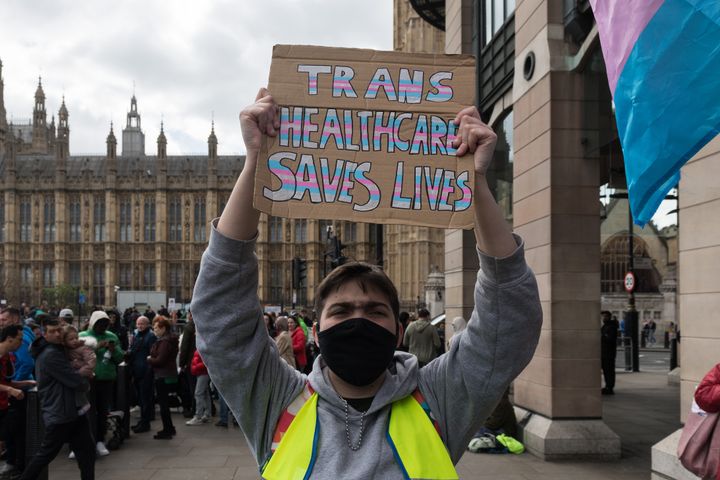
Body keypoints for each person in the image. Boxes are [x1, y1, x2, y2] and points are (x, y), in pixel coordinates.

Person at [191, 89, 542, 478]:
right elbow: (219, 316)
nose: (358, 320)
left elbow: (508, 325)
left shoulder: (438, 400)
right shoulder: (278, 400)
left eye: (375, 311)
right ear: (317, 329)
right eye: (341, 310)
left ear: (398, 329)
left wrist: (474, 182)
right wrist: (256, 164)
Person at [21, 319, 95, 480]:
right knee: (46, 454)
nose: (56, 334)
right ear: (44, 334)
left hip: (73, 409)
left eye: (58, 330)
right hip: (61, 411)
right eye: (52, 331)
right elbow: (74, 380)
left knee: (87, 452)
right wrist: (85, 382)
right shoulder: (51, 354)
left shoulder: (57, 349)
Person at [79, 310, 125, 456]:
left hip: (106, 378)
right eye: (100, 324)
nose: (103, 327)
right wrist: (97, 347)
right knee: (87, 411)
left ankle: (100, 440)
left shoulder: (112, 336)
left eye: (105, 324)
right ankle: (82, 442)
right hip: (87, 380)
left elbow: (119, 359)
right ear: (93, 323)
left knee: (103, 411)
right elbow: (75, 356)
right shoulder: (83, 336)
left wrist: (114, 350)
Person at [0, 306, 35, 475]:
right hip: (5, 401)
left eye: (3, 320)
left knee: (16, 432)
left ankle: (16, 464)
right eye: (19, 340)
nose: (22, 343)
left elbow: (9, 378)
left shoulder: (10, 353)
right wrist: (10, 389)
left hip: (5, 402)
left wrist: (21, 383)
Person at [146, 316, 179, 439]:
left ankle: (167, 429)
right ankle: (169, 427)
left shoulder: (165, 341)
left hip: (163, 375)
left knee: (163, 404)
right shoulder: (167, 339)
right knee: (164, 403)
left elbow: (160, 360)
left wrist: (149, 359)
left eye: (156, 328)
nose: (154, 330)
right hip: (166, 374)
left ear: (163, 328)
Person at [127, 316, 156, 433]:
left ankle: (145, 423)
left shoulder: (150, 336)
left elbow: (152, 354)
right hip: (137, 371)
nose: (139, 326)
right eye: (138, 324)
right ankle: (143, 421)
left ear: (147, 324)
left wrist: (149, 371)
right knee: (141, 399)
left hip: (145, 372)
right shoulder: (137, 335)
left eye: (142, 324)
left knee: (145, 399)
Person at [186, 349, 212, 425]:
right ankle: (207, 414)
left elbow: (206, 360)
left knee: (198, 393)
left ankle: (198, 416)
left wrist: (196, 367)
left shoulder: (203, 344)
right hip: (201, 372)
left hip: (202, 372)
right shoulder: (202, 343)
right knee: (205, 393)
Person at [601, 310, 617, 395]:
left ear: (609, 317)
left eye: (605, 316)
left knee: (609, 371)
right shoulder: (605, 326)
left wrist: (603, 336)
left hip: (609, 353)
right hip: (604, 352)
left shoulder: (611, 327)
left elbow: (610, 339)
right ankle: (608, 386)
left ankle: (610, 388)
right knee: (606, 371)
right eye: (603, 316)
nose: (604, 318)